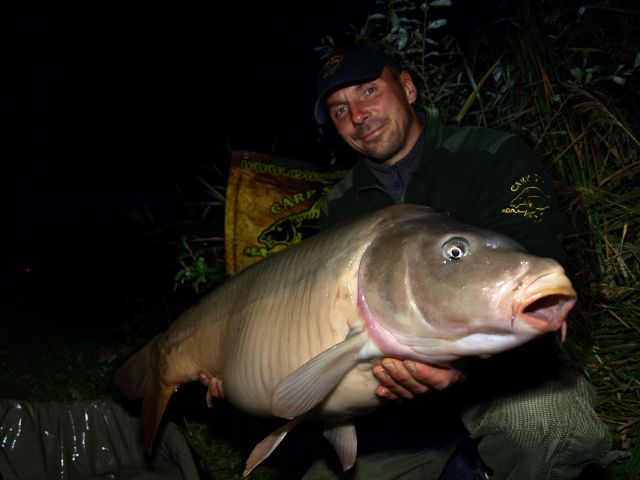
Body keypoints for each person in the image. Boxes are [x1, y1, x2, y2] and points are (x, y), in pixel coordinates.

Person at [304, 44, 611, 480]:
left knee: (540, 426)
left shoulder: (492, 156)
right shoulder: (338, 209)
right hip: (393, 400)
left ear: (407, 87)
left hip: (503, 376)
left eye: (369, 90)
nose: (358, 116)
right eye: (339, 110)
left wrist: (459, 367)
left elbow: (535, 273)